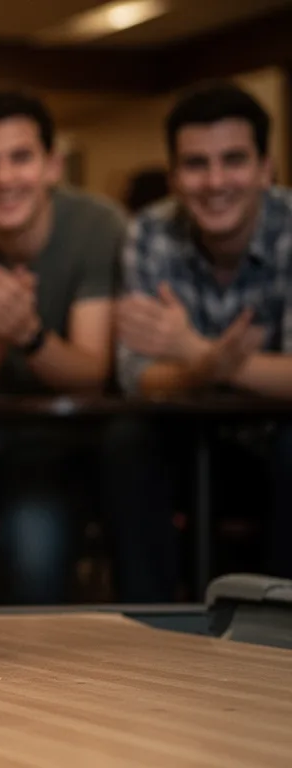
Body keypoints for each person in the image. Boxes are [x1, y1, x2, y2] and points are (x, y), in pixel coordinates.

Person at [0, 91, 125, 605]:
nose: (5, 178)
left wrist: (28, 335)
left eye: (21, 157)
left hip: (60, 436)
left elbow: (92, 373)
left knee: (37, 541)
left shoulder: (99, 226)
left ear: (53, 165)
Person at [109, 81, 292, 602]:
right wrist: (215, 364)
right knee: (126, 440)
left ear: (266, 168)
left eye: (233, 160)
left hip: (277, 438)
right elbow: (136, 377)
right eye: (195, 164)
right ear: (173, 176)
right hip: (180, 435)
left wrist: (196, 356)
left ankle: (279, 630)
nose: (215, 181)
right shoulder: (151, 231)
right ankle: (148, 625)